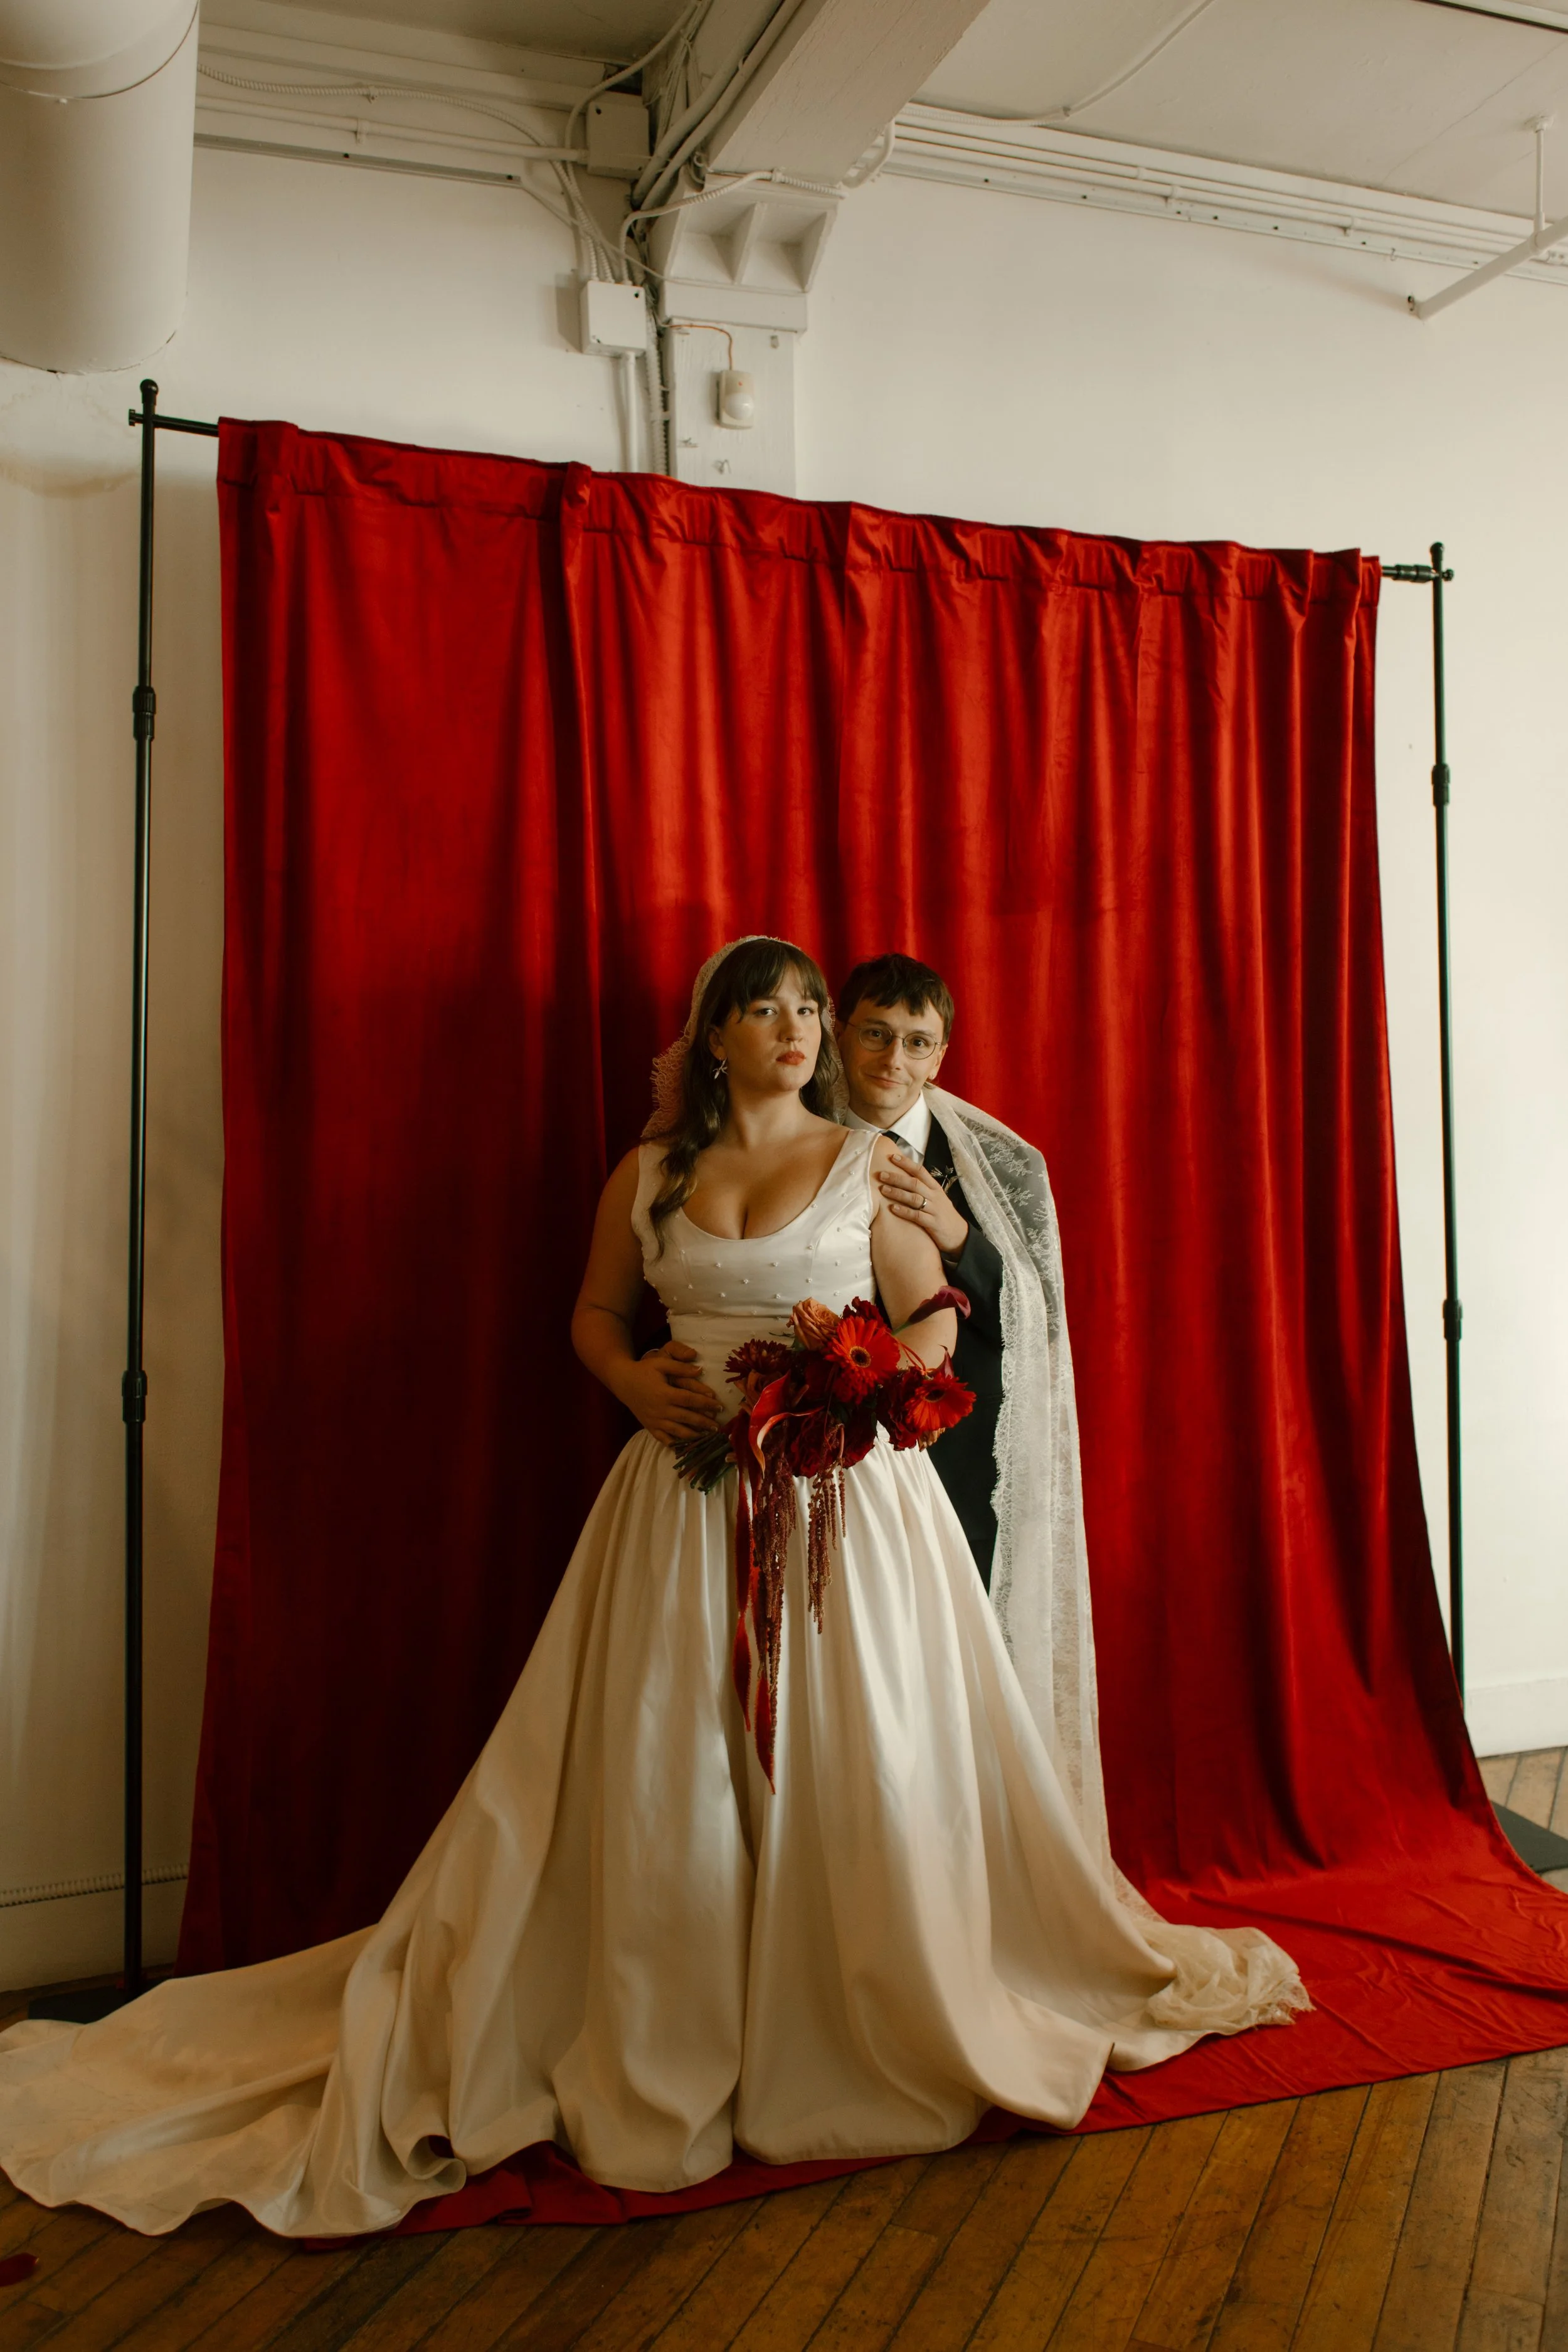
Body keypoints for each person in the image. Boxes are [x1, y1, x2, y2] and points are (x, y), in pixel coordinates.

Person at [0, 936, 1305, 2243]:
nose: (797, 1030)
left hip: (844, 1510)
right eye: (765, 1010)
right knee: (667, 1774)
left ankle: (855, 2010)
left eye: (809, 1010)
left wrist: (867, 1390)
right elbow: (593, 1316)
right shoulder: (647, 1175)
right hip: (680, 1504)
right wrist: (630, 1382)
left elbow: (934, 1316)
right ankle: (666, 2014)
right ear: (712, 1037)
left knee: (859, 1757)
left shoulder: (866, 1164)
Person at [835, 953, 1005, 1587]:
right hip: (826, 1444)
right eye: (876, 1034)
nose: (893, 1059)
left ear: (939, 1057)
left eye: (917, 1043)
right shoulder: (791, 1139)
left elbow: (1036, 1320)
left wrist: (957, 1237)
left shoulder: (997, 1163)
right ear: (839, 1034)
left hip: (957, 1453)